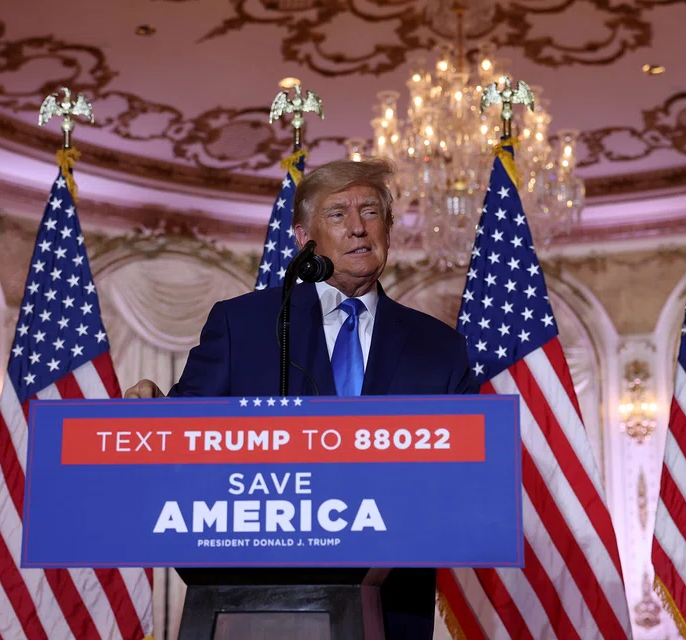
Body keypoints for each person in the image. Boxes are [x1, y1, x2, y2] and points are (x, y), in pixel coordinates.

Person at [125, 157, 478, 639]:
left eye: (371, 212)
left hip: (390, 609)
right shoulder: (243, 325)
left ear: (389, 228)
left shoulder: (439, 347)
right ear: (302, 236)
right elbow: (191, 437)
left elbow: (466, 477)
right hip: (254, 604)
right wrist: (152, 413)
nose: (357, 228)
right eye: (337, 214)